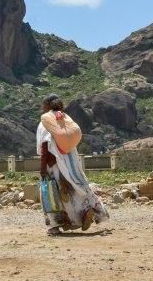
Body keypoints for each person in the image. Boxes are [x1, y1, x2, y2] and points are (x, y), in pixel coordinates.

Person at [38, 94, 109, 236]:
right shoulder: (65, 118)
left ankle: (55, 226)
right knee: (78, 187)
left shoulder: (46, 121)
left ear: (46, 105)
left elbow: (45, 146)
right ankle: (94, 211)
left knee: (53, 194)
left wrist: (42, 168)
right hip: (71, 163)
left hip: (54, 164)